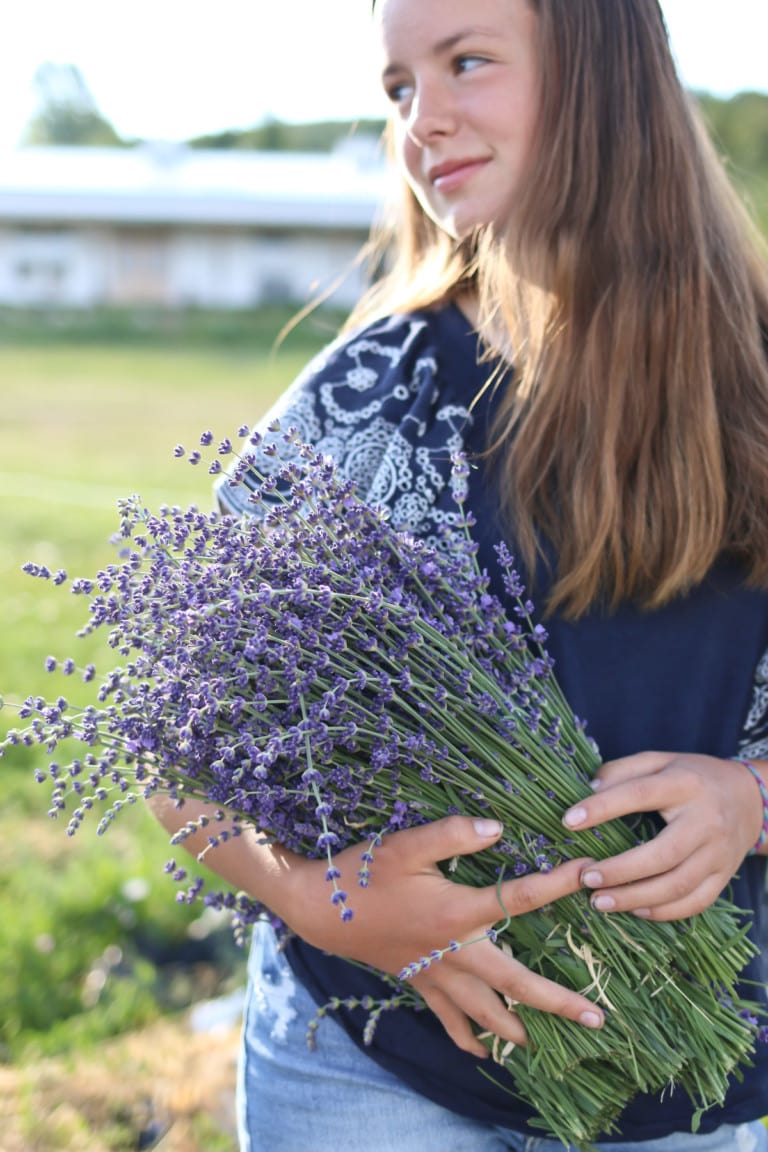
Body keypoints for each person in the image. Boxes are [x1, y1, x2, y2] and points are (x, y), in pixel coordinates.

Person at [149, 0, 768, 1148]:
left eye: (466, 62)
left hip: (694, 1079)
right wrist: (315, 899)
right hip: (373, 1073)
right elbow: (178, 742)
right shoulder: (368, 399)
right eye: (397, 89)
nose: (421, 121)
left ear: (605, 73)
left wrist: (750, 800)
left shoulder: (758, 385)